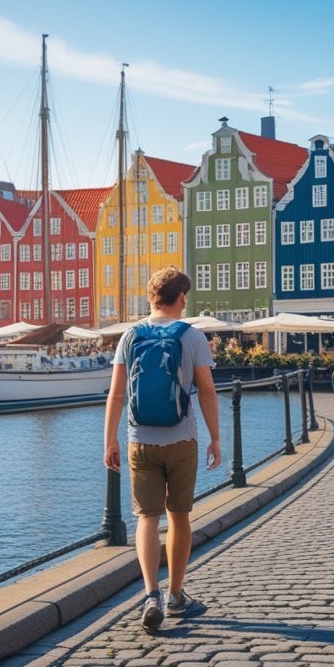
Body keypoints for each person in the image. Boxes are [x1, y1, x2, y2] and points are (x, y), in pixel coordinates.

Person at [103, 266, 222, 633]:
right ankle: (175, 595)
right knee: (180, 515)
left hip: (140, 440)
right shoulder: (192, 337)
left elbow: (118, 392)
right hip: (181, 438)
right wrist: (216, 437)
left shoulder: (130, 335)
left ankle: (150, 594)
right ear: (181, 298)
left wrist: (109, 439)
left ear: (152, 297)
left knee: (146, 518)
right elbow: (206, 390)